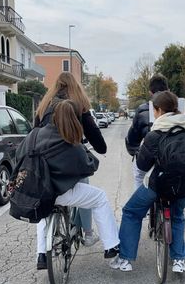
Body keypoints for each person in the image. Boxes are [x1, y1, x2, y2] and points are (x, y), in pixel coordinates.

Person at [110, 91, 185, 272]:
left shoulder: (155, 133)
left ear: (159, 109)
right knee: (177, 216)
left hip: (159, 184)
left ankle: (125, 259)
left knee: (131, 212)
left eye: (154, 109)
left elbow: (142, 165)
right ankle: (178, 261)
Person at [17, 99, 120, 266]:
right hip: (61, 192)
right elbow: (88, 166)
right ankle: (111, 246)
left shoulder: (34, 134)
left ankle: (41, 255)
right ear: (72, 118)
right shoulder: (69, 139)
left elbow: (19, 156)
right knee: (99, 198)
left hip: (35, 191)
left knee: (43, 209)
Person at [34, 72, 107, 269]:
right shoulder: (78, 105)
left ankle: (41, 254)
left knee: (43, 205)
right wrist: (99, 148)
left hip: (45, 165)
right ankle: (88, 234)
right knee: (85, 183)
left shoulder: (44, 106)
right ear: (75, 86)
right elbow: (96, 138)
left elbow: (34, 133)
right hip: (69, 161)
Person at [125, 74, 169, 189]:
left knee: (138, 175)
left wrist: (134, 152)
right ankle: (178, 207)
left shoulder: (143, 109)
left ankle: (140, 206)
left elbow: (132, 139)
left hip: (151, 157)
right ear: (168, 90)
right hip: (176, 156)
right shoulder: (181, 109)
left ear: (150, 92)